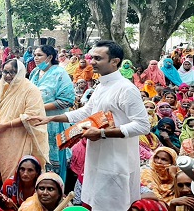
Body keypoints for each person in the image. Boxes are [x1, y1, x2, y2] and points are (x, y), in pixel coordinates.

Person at [28, 40, 151, 211]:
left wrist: (102, 134)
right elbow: (86, 112)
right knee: (95, 203)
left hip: (117, 162)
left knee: (114, 205)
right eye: (91, 57)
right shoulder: (101, 86)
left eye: (98, 58)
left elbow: (143, 125)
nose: (92, 62)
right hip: (96, 158)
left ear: (115, 61)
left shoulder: (126, 89)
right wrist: (51, 118)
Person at [0, 59, 49, 182]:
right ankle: (8, 196)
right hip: (3, 139)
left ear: (20, 72)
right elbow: (0, 109)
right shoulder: (3, 87)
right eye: (5, 72)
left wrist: (6, 125)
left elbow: (31, 116)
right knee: (6, 174)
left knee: (21, 173)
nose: (8, 76)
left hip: (21, 138)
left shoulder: (30, 89)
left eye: (12, 72)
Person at [29, 45, 75, 180]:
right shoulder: (35, 73)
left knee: (55, 159)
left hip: (55, 123)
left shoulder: (60, 73)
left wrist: (40, 108)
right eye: (35, 55)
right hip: (36, 123)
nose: (35, 58)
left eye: (39, 55)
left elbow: (67, 101)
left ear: (49, 57)